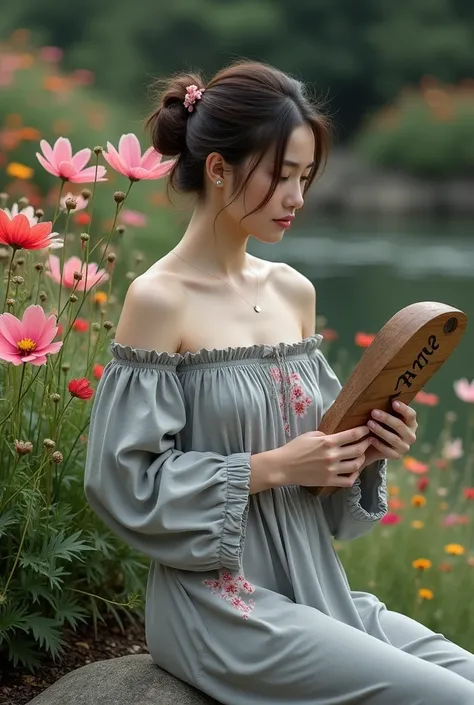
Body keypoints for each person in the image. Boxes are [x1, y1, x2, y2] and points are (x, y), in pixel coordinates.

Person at [84, 61, 474, 704]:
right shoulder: (160, 299)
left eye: (304, 177)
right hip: (218, 603)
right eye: (280, 175)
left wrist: (358, 452)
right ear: (218, 169)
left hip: (318, 586)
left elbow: (318, 485)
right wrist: (270, 466)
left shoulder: (295, 291)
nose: (296, 197)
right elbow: (122, 482)